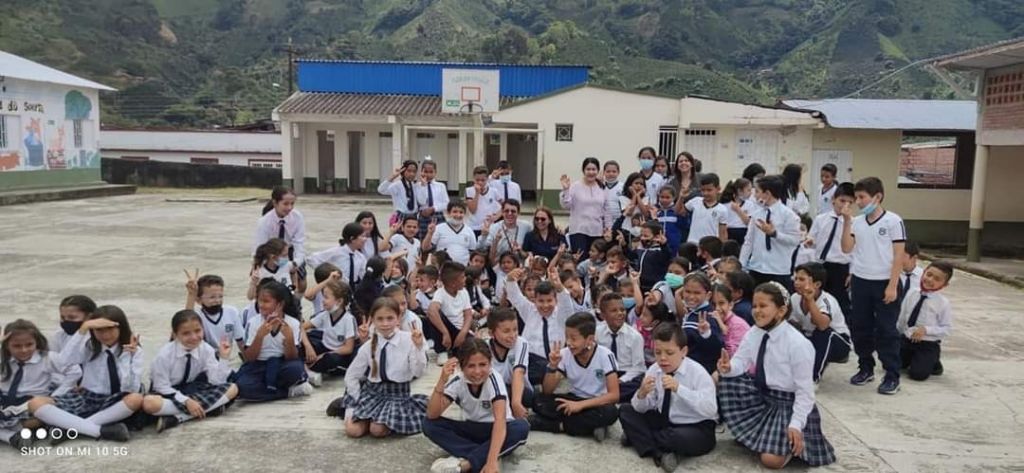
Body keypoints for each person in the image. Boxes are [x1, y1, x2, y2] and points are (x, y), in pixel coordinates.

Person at [717, 282, 836, 468]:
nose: (756, 311)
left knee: (771, 461)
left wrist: (796, 424)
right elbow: (741, 361)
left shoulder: (798, 345)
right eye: (755, 305)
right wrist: (728, 367)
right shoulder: (754, 333)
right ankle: (764, 436)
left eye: (763, 306)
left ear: (781, 311)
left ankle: (789, 447)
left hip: (788, 405)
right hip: (763, 398)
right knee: (725, 378)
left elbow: (805, 392)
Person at [29, 306, 144, 442]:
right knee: (35, 403)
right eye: (99, 330)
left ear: (121, 328)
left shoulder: (134, 351)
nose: (105, 335)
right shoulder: (90, 347)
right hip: (87, 397)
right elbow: (64, 361)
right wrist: (83, 328)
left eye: (110, 329)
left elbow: (130, 389)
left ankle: (70, 429)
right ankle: (97, 430)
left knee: (136, 398)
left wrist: (126, 356)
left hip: (115, 400)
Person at [619, 324, 717, 472]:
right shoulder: (654, 370)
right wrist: (642, 394)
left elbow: (710, 410)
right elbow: (642, 407)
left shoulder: (698, 373)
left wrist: (679, 389)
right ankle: (659, 452)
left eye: (669, 353)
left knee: (676, 437)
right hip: (665, 422)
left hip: (695, 427)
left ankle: (639, 438)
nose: (663, 358)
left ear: (683, 351)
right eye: (658, 352)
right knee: (626, 410)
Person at [841, 177, 907, 395]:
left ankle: (891, 374)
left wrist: (892, 285)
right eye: (857, 197)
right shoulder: (857, 222)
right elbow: (847, 248)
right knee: (861, 327)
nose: (858, 202)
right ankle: (865, 367)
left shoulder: (893, 221)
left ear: (877, 197)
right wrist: (847, 222)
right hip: (861, 281)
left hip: (884, 282)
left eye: (862, 197)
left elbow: (898, 256)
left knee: (887, 330)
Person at [424, 339, 530, 473]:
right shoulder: (459, 380)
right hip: (473, 428)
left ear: (490, 363)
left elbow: (500, 420)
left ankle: (468, 463)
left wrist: (491, 463)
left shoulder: (494, 380)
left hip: (497, 429)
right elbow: (432, 414)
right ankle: (485, 454)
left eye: (482, 364)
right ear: (462, 367)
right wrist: (442, 380)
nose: (478, 371)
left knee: (521, 427)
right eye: (471, 366)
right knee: (429, 424)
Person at [341, 297, 428, 437]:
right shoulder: (368, 346)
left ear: (398, 318)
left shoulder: (408, 340)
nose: (385, 323)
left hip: (397, 396)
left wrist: (418, 348)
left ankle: (375, 419)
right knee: (353, 431)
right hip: (372, 393)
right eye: (380, 319)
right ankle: (352, 410)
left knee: (377, 430)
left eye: (390, 318)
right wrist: (357, 400)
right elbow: (351, 375)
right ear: (373, 320)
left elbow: (418, 372)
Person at [529, 313, 620, 441]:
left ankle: (555, 425)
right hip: (573, 399)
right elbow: (547, 391)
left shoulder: (605, 355)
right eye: (567, 338)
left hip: (597, 403)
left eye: (573, 338)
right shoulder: (565, 354)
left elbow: (614, 395)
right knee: (538, 401)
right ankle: (590, 426)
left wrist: (580, 406)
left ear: (589, 339)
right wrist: (552, 367)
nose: (569, 343)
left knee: (611, 413)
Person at [143, 310, 237, 433]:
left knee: (233, 388)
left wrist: (224, 358)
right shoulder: (164, 355)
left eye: (198, 331)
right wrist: (186, 401)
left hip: (192, 389)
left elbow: (216, 381)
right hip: (168, 393)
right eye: (186, 333)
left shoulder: (206, 349)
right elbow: (161, 386)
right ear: (175, 334)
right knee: (149, 403)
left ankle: (178, 418)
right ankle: (210, 409)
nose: (193, 337)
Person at [0, 320, 77, 449]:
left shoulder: (47, 358)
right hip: (5, 402)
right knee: (25, 422)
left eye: (29, 344)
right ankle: (13, 437)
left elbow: (74, 371)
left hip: (32, 403)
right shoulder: (3, 358)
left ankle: (32, 429)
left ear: (37, 342)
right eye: (16, 346)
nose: (24, 350)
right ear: (7, 345)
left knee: (33, 421)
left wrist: (57, 395)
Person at [235, 281, 312, 401]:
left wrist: (289, 338)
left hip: (282, 364)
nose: (261, 305)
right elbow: (249, 358)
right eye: (259, 301)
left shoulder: (292, 323)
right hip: (259, 365)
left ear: (280, 304)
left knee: (295, 370)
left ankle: (269, 389)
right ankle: (287, 392)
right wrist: (260, 336)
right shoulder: (253, 322)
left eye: (266, 301)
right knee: (243, 387)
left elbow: (291, 357)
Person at [504, 267, 574, 386]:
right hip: (530, 363)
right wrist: (510, 279)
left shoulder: (561, 315)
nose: (545, 305)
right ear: (534, 300)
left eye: (549, 301)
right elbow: (515, 297)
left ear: (556, 300)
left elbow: (567, 305)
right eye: (541, 301)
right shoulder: (530, 310)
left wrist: (559, 286)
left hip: (555, 364)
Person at [791, 263, 853, 382]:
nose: (796, 283)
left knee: (823, 333)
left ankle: (813, 378)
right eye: (796, 278)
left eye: (802, 279)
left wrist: (810, 301)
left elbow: (822, 325)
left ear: (817, 284)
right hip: (810, 338)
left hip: (838, 343)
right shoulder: (795, 298)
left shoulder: (827, 300)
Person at [739, 174, 801, 292]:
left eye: (757, 191)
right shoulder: (757, 213)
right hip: (756, 268)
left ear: (767, 194)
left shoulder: (788, 215)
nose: (754, 195)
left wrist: (774, 234)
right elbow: (748, 241)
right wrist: (741, 265)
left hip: (778, 270)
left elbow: (795, 241)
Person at [897, 261, 954, 381]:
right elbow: (902, 316)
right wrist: (897, 334)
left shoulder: (943, 303)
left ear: (945, 284)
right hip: (907, 339)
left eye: (937, 279)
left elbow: (947, 329)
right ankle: (912, 357)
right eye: (929, 275)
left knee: (918, 375)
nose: (930, 280)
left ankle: (934, 362)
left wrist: (926, 330)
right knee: (892, 364)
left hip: (926, 344)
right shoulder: (912, 293)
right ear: (923, 273)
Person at [808, 182, 855, 318]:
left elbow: (855, 251)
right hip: (820, 264)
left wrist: (852, 272)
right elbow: (813, 238)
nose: (844, 205)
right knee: (817, 296)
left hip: (840, 267)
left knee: (838, 300)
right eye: (841, 200)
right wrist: (810, 241)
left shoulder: (853, 223)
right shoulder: (820, 219)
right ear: (833, 199)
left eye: (849, 202)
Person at [595, 293, 645, 403]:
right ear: (603, 315)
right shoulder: (597, 333)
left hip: (626, 375)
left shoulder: (635, 336)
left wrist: (621, 380)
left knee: (639, 383)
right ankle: (608, 395)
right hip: (605, 373)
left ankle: (604, 396)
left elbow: (639, 367)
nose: (620, 313)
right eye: (614, 311)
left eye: (622, 310)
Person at [303, 280, 359, 376]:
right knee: (302, 343)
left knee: (332, 360)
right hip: (324, 346)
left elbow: (348, 348)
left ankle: (309, 369)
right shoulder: (325, 314)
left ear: (339, 301)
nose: (323, 300)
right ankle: (310, 368)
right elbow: (301, 328)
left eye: (326, 297)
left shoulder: (348, 319)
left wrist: (324, 355)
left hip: (339, 352)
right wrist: (308, 347)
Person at [674, 273, 726, 374]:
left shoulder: (709, 316)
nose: (691, 296)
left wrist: (706, 333)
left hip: (700, 372)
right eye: (687, 291)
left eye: (697, 293)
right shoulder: (692, 312)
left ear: (708, 295)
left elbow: (718, 347)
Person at [426, 262, 476, 366]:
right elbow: (432, 310)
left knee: (472, 348)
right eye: (462, 277)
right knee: (434, 313)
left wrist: (463, 333)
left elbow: (468, 314)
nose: (465, 279)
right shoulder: (440, 293)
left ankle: (456, 351)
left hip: (459, 331)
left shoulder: (464, 292)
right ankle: (442, 351)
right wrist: (445, 332)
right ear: (453, 283)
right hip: (445, 331)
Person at [184, 273, 246, 356]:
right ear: (199, 300)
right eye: (212, 297)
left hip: (225, 357)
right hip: (203, 358)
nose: (217, 300)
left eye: (220, 296)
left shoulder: (232, 312)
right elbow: (186, 320)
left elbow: (241, 341)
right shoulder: (197, 316)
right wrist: (191, 294)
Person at [485, 308, 532, 416]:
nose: (512, 335)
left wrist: (516, 403)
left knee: (529, 397)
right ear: (492, 333)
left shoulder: (521, 343)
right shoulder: (484, 348)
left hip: (517, 389)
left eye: (515, 329)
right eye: (506, 331)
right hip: (495, 390)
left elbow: (519, 372)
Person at [560, 157, 608, 257]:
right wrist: (566, 190)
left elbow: (606, 210)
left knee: (596, 260)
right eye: (588, 169)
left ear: (598, 171)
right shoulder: (575, 186)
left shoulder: (602, 187)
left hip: (597, 231)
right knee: (580, 259)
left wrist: (608, 227)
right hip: (578, 230)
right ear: (583, 170)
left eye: (594, 169)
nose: (591, 172)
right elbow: (566, 205)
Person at [254, 186, 306, 275]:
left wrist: (296, 262)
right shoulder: (265, 222)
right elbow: (260, 246)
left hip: (290, 250)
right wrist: (257, 266)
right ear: (275, 203)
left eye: (292, 204)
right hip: (271, 254)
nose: (289, 208)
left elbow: (299, 243)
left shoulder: (297, 217)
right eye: (285, 204)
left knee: (301, 282)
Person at [309, 222, 368, 287]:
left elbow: (364, 276)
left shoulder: (361, 257)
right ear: (352, 239)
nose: (365, 239)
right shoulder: (336, 251)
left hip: (351, 289)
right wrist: (327, 274)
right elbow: (311, 259)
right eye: (362, 236)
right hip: (335, 287)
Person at [424, 200, 478, 265]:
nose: (458, 215)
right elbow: (425, 248)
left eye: (461, 212)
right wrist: (429, 234)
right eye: (455, 212)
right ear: (448, 213)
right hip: (442, 269)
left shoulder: (469, 231)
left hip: (462, 270)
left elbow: (472, 252)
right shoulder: (439, 228)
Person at [711, 284, 750, 357]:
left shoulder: (738, 325)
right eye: (713, 304)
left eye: (721, 303)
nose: (717, 308)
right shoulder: (709, 321)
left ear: (731, 305)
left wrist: (723, 331)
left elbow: (732, 355)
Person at [466, 166, 502, 238]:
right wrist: (477, 193)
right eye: (477, 180)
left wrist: (496, 216)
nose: (480, 182)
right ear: (473, 179)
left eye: (483, 180)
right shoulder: (469, 191)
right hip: (473, 227)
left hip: (488, 227)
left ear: (487, 179)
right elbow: (472, 210)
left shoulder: (494, 191)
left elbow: (504, 206)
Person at [722, 177, 757, 246]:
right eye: (748, 190)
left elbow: (749, 222)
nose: (750, 193)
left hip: (743, 232)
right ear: (739, 191)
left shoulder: (750, 204)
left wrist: (738, 210)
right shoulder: (726, 205)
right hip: (729, 232)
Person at [602, 160, 624, 230]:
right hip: (602, 223)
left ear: (618, 172)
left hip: (618, 222)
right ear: (604, 172)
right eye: (608, 171)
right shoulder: (599, 186)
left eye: (614, 171)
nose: (611, 174)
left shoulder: (623, 187)